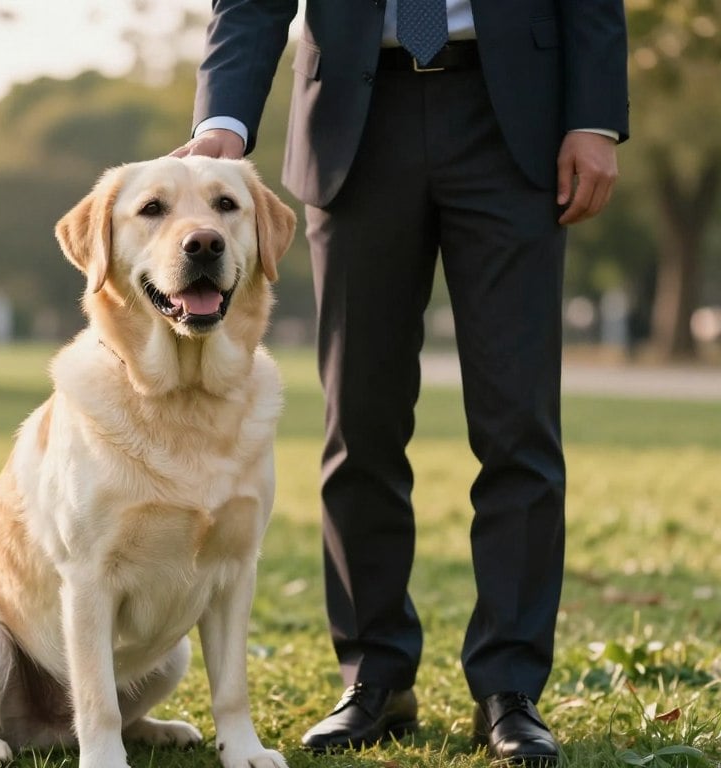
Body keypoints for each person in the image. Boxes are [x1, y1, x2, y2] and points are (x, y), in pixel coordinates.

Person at [172, 0, 628, 764]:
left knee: (519, 425)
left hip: (513, 114)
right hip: (354, 118)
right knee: (361, 423)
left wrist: (596, 116)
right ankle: (373, 675)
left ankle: (510, 688)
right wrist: (226, 118)